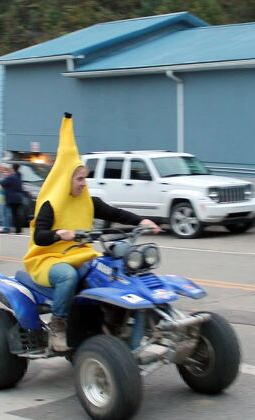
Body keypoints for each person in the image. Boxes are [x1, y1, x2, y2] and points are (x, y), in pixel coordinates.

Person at [23, 114, 160, 351]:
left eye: (85, 178)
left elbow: (115, 214)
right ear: (66, 180)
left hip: (81, 255)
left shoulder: (88, 201)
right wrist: (59, 234)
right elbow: (39, 237)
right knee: (68, 276)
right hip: (49, 260)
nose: (83, 183)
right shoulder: (50, 204)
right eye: (78, 179)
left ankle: (116, 322)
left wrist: (142, 220)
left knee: (116, 269)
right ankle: (58, 326)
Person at [1, 163, 26, 234]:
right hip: (19, 198)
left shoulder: (11, 177)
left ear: (13, 169)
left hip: (12, 199)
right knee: (17, 214)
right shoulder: (19, 176)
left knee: (14, 214)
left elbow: (3, 183)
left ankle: (16, 229)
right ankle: (19, 229)